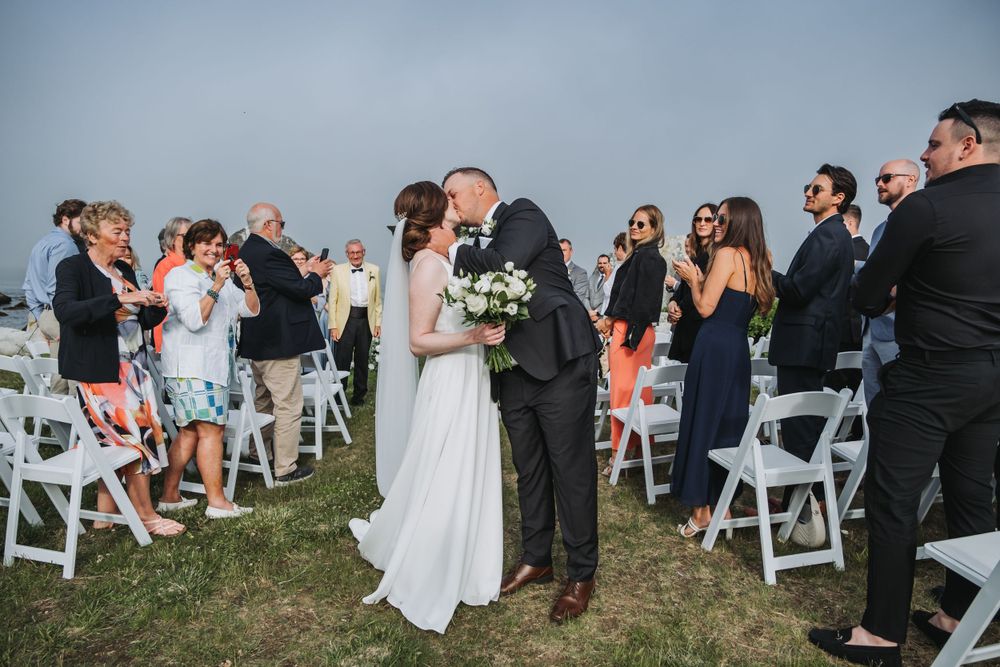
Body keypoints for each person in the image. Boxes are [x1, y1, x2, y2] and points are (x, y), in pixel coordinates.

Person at [810, 99, 1000, 667]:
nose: (924, 153)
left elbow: (866, 295)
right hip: (992, 376)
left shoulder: (926, 208)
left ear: (968, 145)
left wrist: (898, 292)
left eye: (934, 144)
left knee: (893, 500)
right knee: (972, 496)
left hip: (930, 373)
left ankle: (880, 635)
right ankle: (957, 614)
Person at [439, 167, 602, 623]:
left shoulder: (523, 213)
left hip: (560, 360)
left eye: (452, 194)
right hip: (512, 369)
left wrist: (448, 243)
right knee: (528, 467)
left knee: (569, 468)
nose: (450, 204)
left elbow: (502, 266)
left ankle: (582, 571)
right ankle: (537, 558)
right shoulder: (481, 239)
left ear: (479, 187)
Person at [350, 181, 505, 633]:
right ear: (435, 214)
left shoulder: (445, 258)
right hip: (451, 375)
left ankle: (467, 549)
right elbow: (419, 341)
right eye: (448, 200)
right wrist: (474, 335)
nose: (456, 205)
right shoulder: (427, 266)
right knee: (447, 463)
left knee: (463, 461)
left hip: (469, 374)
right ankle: (434, 562)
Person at [52, 200, 184, 537]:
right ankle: (146, 516)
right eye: (118, 231)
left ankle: (104, 517)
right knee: (133, 441)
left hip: (135, 368)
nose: (126, 237)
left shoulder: (122, 271)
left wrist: (155, 305)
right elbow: (67, 312)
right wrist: (123, 300)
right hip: (102, 372)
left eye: (128, 231)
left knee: (111, 444)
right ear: (93, 235)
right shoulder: (74, 268)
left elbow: (139, 321)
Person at [670, 198, 774, 536]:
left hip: (713, 344)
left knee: (703, 421)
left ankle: (702, 510)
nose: (716, 222)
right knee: (727, 425)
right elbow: (759, 307)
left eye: (722, 218)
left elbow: (703, 307)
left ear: (739, 221)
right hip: (737, 348)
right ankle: (723, 502)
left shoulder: (727, 255)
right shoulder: (762, 259)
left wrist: (691, 278)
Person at [769, 163, 856, 547]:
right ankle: (797, 507)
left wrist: (762, 270)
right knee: (803, 428)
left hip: (804, 346)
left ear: (837, 198)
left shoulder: (828, 237)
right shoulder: (832, 235)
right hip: (810, 345)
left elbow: (798, 291)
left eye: (816, 188)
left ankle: (807, 512)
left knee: (800, 431)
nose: (808, 192)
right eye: (808, 186)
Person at [158, 219, 259, 519]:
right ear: (191, 245)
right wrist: (215, 285)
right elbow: (193, 319)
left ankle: (169, 496)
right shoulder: (180, 276)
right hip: (192, 367)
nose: (214, 250)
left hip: (213, 366)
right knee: (212, 432)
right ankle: (217, 502)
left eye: (218, 244)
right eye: (207, 243)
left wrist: (248, 283)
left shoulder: (224, 279)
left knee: (189, 433)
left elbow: (250, 310)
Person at [238, 202, 333, 486]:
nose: (282, 228)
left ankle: (258, 453)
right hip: (278, 343)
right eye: (282, 223)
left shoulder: (247, 252)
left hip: (258, 342)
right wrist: (317, 274)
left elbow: (280, 286)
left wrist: (306, 272)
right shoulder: (269, 254)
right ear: (269, 224)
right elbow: (301, 290)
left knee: (264, 401)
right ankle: (285, 468)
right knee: (289, 405)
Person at [597, 205, 668, 476]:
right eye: (632, 223)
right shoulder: (643, 256)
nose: (635, 228)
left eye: (642, 224)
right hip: (637, 331)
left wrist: (610, 320)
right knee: (639, 393)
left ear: (654, 228)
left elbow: (633, 300)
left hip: (630, 332)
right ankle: (637, 448)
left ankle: (619, 453)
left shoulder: (645, 258)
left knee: (623, 394)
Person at [859, 159, 919, 404]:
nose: (879, 184)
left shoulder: (920, 222)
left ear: (910, 180)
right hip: (870, 332)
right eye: (877, 180)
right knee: (873, 408)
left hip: (900, 334)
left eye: (887, 178)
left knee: (900, 405)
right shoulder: (878, 230)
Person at [23, 198, 86, 395]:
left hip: (49, 315)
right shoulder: (65, 246)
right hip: (62, 315)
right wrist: (61, 317)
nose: (85, 226)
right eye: (81, 221)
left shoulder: (42, 243)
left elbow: (29, 286)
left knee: (60, 372)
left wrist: (42, 318)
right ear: (65, 219)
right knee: (75, 375)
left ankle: (59, 421)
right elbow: (57, 288)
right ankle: (78, 420)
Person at [328, 239, 382, 405]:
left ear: (364, 252)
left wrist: (377, 323)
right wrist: (333, 326)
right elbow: (332, 300)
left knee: (362, 359)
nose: (355, 255)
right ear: (347, 254)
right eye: (352, 252)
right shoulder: (338, 270)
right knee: (342, 359)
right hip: (346, 320)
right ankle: (339, 395)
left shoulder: (374, 270)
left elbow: (377, 299)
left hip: (366, 319)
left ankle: (359, 395)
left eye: (358, 252)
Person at [667, 202, 717, 363]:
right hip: (687, 327)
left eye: (708, 219)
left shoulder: (717, 255)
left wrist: (679, 308)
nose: (702, 223)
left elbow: (707, 290)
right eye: (698, 219)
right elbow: (683, 288)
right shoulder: (697, 254)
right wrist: (672, 303)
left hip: (701, 327)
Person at [151, 216, 192, 352]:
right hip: (173, 337)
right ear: (173, 238)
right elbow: (164, 303)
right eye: (186, 235)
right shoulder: (165, 266)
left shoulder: (194, 265)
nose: (192, 239)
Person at [559, 238, 591, 307]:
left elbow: (577, 298)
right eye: (559, 250)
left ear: (571, 252)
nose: (561, 253)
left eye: (564, 250)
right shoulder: (552, 270)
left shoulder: (580, 273)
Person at [588, 254, 611, 319]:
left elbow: (609, 298)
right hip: (590, 316)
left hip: (603, 317)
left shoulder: (612, 278)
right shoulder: (592, 278)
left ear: (609, 264)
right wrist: (589, 311)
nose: (602, 265)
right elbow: (586, 297)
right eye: (600, 263)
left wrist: (596, 312)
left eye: (604, 263)